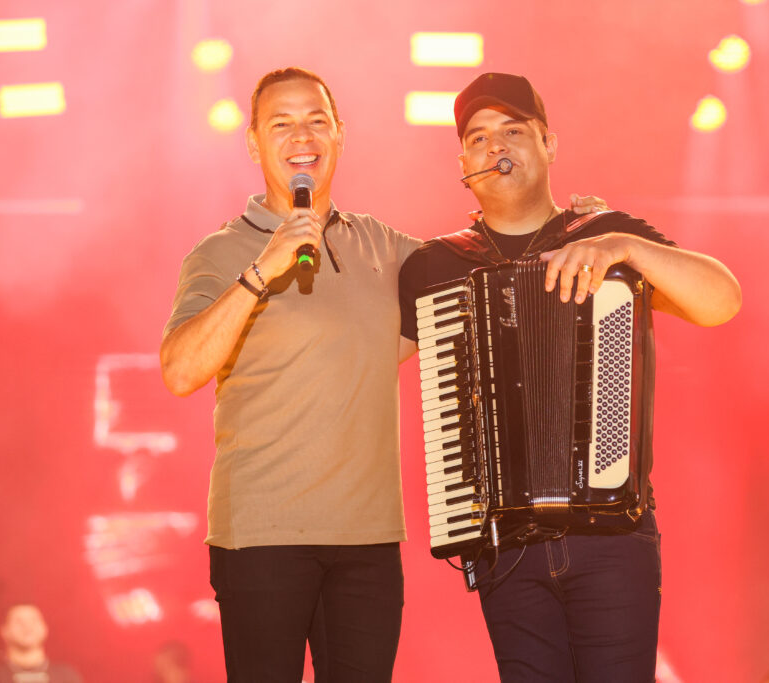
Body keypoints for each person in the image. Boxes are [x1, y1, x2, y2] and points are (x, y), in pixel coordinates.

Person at [161, 66, 610, 682]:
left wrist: (569, 226)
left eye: (317, 121)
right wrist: (262, 270)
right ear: (254, 142)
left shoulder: (384, 247)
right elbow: (180, 369)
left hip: (368, 542)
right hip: (262, 536)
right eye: (282, 123)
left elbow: (482, 273)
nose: (302, 136)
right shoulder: (220, 252)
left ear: (340, 134)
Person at [397, 72, 743, 682]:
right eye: (477, 138)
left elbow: (722, 300)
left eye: (513, 130)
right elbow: (368, 364)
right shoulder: (437, 264)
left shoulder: (604, 234)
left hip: (613, 536)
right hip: (503, 546)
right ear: (463, 164)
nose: (495, 145)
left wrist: (626, 247)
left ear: (549, 144)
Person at [0, 603, 83, 683]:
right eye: (18, 621)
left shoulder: (66, 676)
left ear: (45, 628)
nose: (27, 626)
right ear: (4, 631)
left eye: (33, 620)